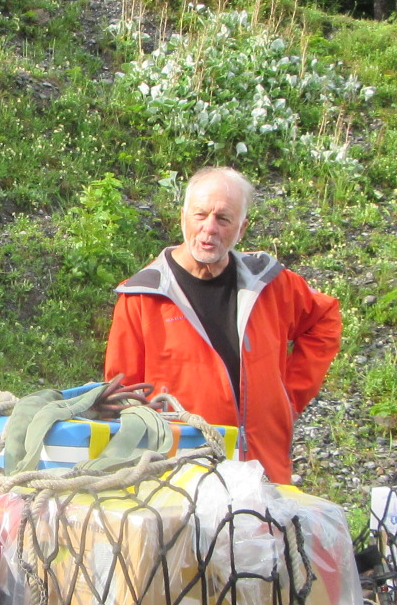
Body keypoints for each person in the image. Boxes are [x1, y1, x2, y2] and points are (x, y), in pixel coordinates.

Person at [104, 166, 342, 483]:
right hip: (181, 480)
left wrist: (289, 396)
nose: (209, 228)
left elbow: (324, 318)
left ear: (242, 228)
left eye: (223, 219)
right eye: (200, 215)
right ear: (182, 217)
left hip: (264, 471)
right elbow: (123, 399)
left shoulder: (269, 283)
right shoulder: (143, 296)